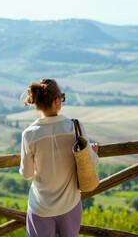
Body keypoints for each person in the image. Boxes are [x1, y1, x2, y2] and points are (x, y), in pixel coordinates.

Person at [19, 79, 99, 237]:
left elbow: (26, 174)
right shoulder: (74, 127)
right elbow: (92, 162)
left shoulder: (29, 134)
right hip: (70, 205)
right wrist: (94, 152)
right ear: (57, 101)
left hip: (40, 207)